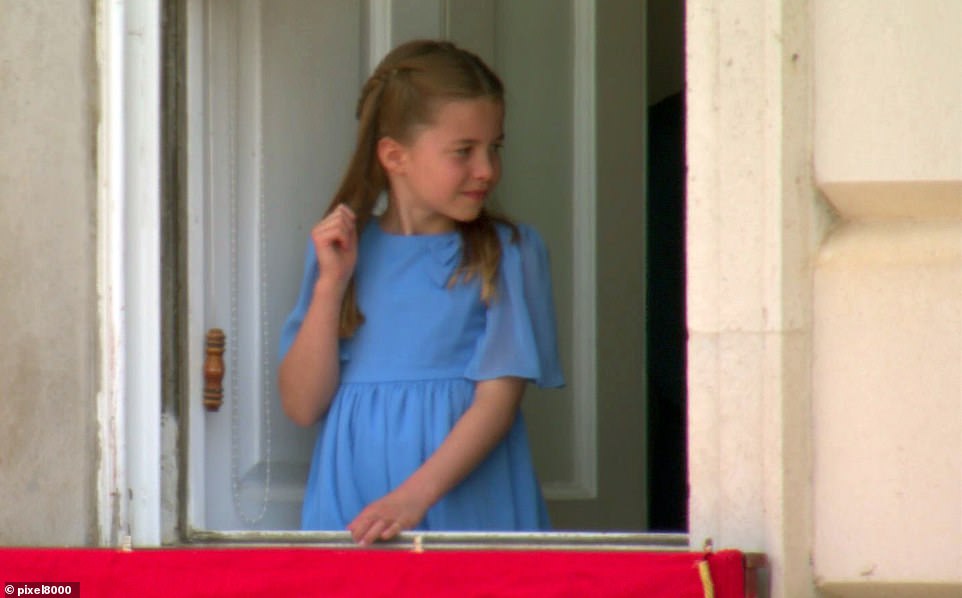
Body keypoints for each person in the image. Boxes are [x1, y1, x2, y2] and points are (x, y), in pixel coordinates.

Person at [277, 39, 563, 545]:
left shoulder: (507, 252)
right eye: (463, 151)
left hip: (469, 504)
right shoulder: (342, 252)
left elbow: (498, 402)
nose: (487, 170)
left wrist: (413, 497)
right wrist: (330, 284)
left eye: (494, 148)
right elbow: (302, 405)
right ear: (395, 156)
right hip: (355, 508)